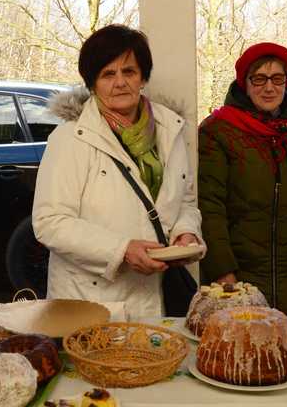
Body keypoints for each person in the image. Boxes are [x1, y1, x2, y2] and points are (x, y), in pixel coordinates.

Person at [32, 24, 203, 319]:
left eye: (129, 71)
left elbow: (184, 201)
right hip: (91, 301)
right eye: (108, 74)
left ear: (143, 77)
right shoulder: (71, 138)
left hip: (155, 297)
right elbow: (49, 222)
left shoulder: (170, 131)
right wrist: (121, 249)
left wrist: (186, 233)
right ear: (92, 83)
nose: (120, 82)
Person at [197, 42, 287, 314]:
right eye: (259, 78)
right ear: (244, 82)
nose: (269, 87)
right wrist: (223, 272)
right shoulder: (219, 131)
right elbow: (209, 207)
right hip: (241, 280)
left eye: (277, 78)